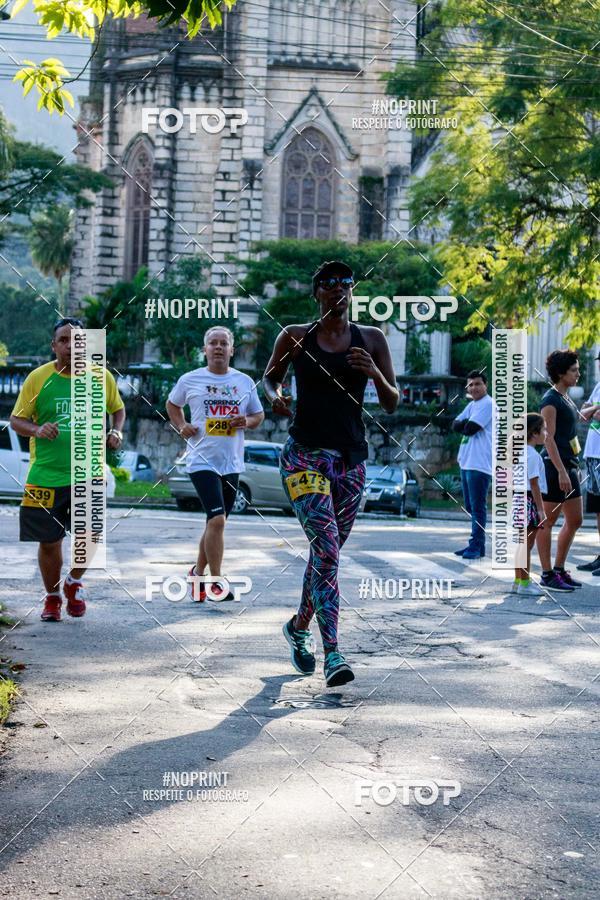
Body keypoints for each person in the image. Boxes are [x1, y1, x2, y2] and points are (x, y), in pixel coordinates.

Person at [262, 260, 399, 687]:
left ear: (352, 291)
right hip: (304, 457)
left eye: (345, 283)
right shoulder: (295, 336)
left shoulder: (371, 339)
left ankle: (298, 628)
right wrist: (277, 395)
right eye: (329, 283)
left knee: (326, 555)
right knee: (326, 550)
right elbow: (269, 378)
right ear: (317, 292)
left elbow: (392, 402)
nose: (339, 289)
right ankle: (334, 652)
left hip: (351, 463)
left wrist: (373, 372)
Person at [9, 318, 125, 621]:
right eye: (63, 340)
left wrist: (117, 431)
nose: (71, 346)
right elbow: (17, 420)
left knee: (92, 536)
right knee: (49, 541)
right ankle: (52, 598)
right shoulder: (38, 378)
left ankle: (73, 582)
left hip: (89, 472)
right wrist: (36, 430)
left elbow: (118, 409)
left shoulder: (101, 377)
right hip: (45, 475)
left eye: (77, 340)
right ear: (54, 345)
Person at [166, 326, 264, 602]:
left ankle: (197, 574)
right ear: (205, 349)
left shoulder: (244, 381)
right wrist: (182, 425)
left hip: (231, 462)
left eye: (224, 343)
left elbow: (258, 415)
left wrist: (246, 421)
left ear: (232, 350)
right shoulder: (190, 379)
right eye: (213, 343)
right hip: (201, 460)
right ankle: (216, 583)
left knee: (215, 523)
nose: (218, 347)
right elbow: (172, 405)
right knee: (218, 519)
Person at [536, 349, 583, 592]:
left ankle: (559, 569)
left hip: (570, 464)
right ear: (561, 373)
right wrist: (562, 471)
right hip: (555, 468)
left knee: (575, 520)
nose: (578, 373)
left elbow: (570, 425)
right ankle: (546, 574)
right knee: (548, 521)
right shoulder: (550, 401)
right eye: (574, 370)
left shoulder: (565, 398)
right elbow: (548, 439)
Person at [452, 370, 494, 559]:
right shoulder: (472, 405)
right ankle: (477, 544)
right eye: (471, 385)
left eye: (478, 384)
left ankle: (476, 546)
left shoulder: (488, 404)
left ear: (486, 385)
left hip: (480, 463)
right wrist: (464, 423)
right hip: (467, 462)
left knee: (477, 507)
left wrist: (465, 424)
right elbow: (455, 424)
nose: (474, 387)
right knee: (470, 506)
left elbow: (469, 429)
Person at [511, 414, 547, 597]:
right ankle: (525, 583)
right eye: (544, 429)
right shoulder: (532, 455)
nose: (546, 433)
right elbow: (534, 485)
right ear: (534, 432)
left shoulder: (520, 452)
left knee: (522, 543)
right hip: (529, 501)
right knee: (527, 544)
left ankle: (518, 580)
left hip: (518, 500)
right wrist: (541, 510)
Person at [576, 351, 600, 575]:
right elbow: (582, 415)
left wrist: (590, 410)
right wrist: (594, 410)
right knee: (598, 509)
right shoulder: (598, 386)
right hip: (593, 455)